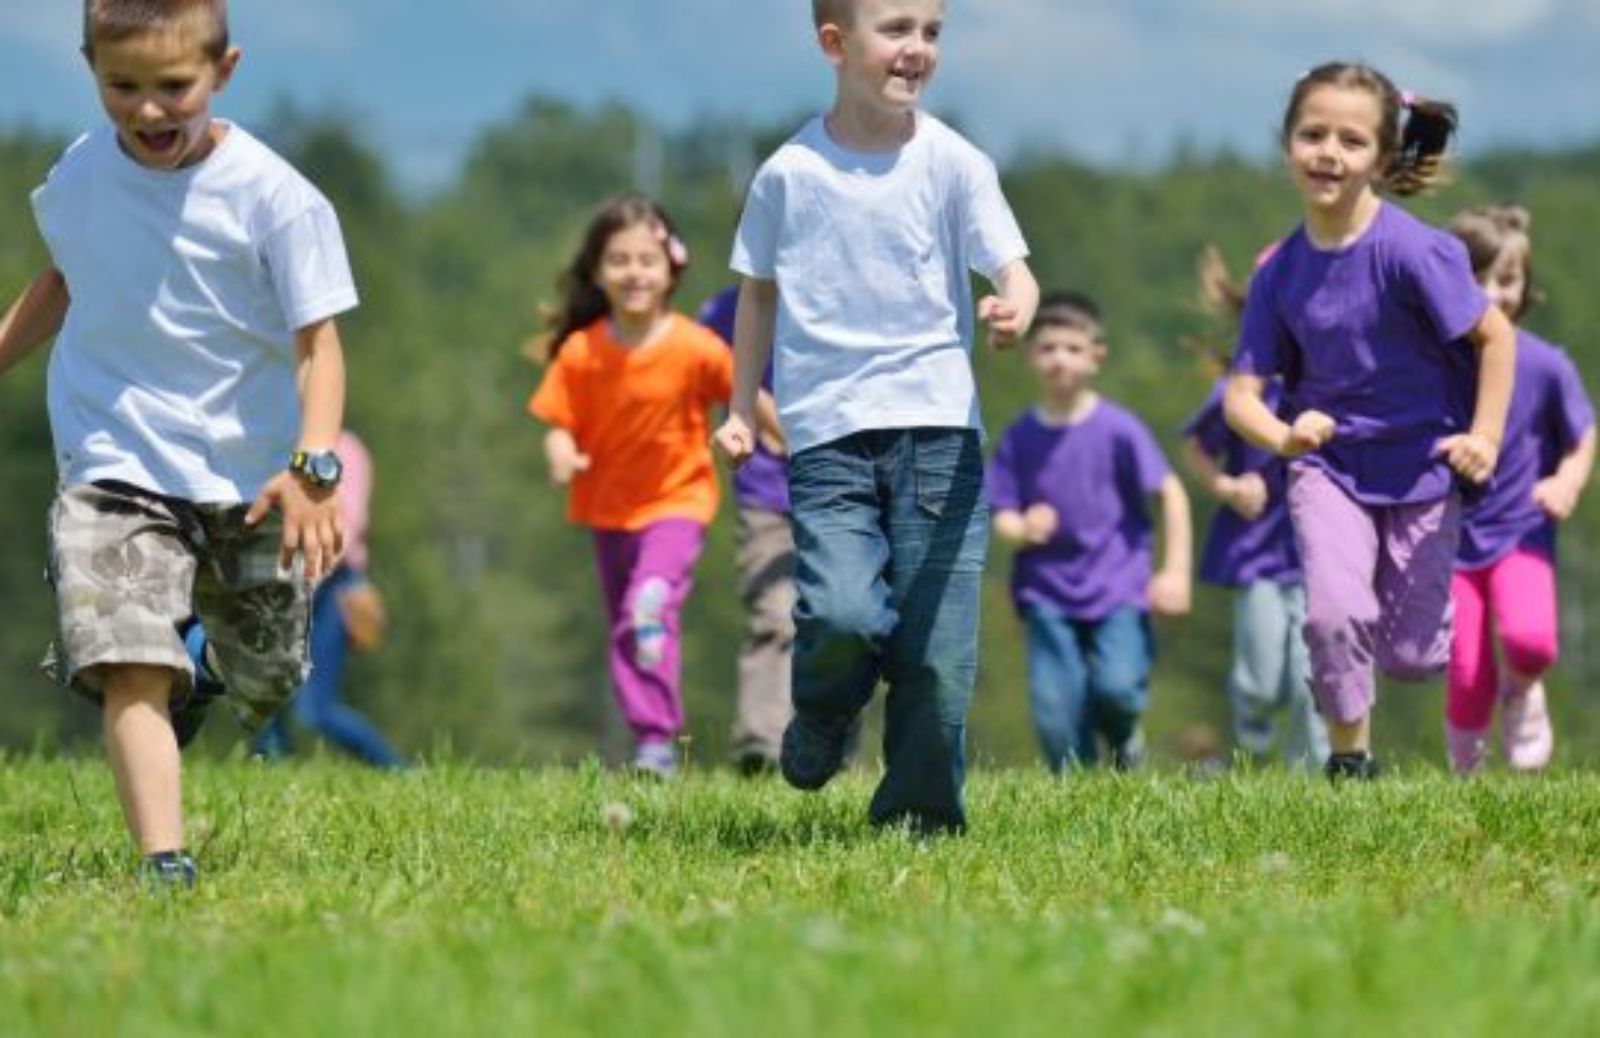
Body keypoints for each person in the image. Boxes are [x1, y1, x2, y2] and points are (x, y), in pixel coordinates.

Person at [0, 0, 355, 887]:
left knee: (267, 672)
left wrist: (314, 469)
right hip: (112, 457)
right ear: (89, 68)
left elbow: (320, 346)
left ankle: (196, 675)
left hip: (248, 475)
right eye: (122, 86)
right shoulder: (83, 172)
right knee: (126, 661)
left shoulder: (276, 198)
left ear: (223, 71)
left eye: (173, 87)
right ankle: (166, 862)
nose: (149, 110)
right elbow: (67, 278)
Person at [714, 0, 1040, 833]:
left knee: (937, 652)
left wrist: (1015, 305)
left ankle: (919, 820)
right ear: (834, 43)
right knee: (845, 613)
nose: (917, 49)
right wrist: (741, 406)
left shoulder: (955, 162)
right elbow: (757, 295)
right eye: (896, 29)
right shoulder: (791, 172)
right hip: (827, 437)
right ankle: (825, 707)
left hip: (939, 431)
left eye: (931, 32)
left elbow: (1013, 265)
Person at [1224, 61, 1517, 781]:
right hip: (1330, 469)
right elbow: (1241, 395)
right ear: (1287, 143)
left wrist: (1483, 436)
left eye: (1351, 141)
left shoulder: (1414, 251)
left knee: (1413, 655)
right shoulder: (1278, 272)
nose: (1329, 152)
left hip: (1423, 465)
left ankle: (1436, 655)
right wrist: (1284, 438)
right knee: (1331, 615)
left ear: (1381, 159)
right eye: (1312, 134)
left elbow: (1496, 336)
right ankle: (1350, 761)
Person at [528, 194, 733, 779]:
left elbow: (743, 397)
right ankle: (653, 745)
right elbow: (557, 423)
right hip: (610, 513)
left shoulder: (694, 346)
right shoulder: (582, 350)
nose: (634, 273)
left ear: (672, 266)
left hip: (678, 503)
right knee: (628, 624)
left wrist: (770, 435)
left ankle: (655, 739)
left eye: (647, 259)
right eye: (619, 260)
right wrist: (562, 453)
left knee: (646, 605)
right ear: (596, 271)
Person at [987, 293, 1192, 771]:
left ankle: (1125, 741)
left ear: (1097, 356)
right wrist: (1021, 529)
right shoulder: (1020, 436)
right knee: (1056, 713)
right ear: (1029, 355)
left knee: (1118, 690)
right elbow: (1001, 510)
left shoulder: (1119, 429)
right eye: (1048, 347)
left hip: (1118, 584)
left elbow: (1170, 493)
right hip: (1047, 591)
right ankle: (1076, 800)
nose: (1060, 358)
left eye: (1073, 348)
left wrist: (1175, 572)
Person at [1442, 206, 1595, 773]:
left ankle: (1522, 687)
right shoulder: (1437, 367)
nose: (1492, 295)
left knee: (1532, 641)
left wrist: (1567, 482)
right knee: (1464, 669)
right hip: (1450, 542)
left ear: (1524, 285)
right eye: (1476, 279)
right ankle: (1468, 775)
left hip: (1522, 532)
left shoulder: (1546, 365)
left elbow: (1583, 434)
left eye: (1504, 281)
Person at [1181, 249, 1328, 769]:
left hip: (1322, 555)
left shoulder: (1332, 382)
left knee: (1317, 672)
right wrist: (1225, 486)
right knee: (1263, 678)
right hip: (1258, 554)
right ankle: (1251, 752)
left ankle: (1316, 776)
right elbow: (1197, 445)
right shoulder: (1240, 388)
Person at [249, 430, 405, 768]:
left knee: (314, 708)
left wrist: (309, 580)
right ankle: (270, 768)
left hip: (331, 582)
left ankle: (398, 769)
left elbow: (347, 525)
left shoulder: (346, 449)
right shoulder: (277, 440)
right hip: (285, 576)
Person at [699, 285, 795, 775]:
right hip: (766, 489)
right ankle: (761, 744)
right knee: (773, 613)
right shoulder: (723, 310)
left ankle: (828, 744)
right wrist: (782, 425)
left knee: (840, 617)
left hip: (849, 489)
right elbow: (724, 374)